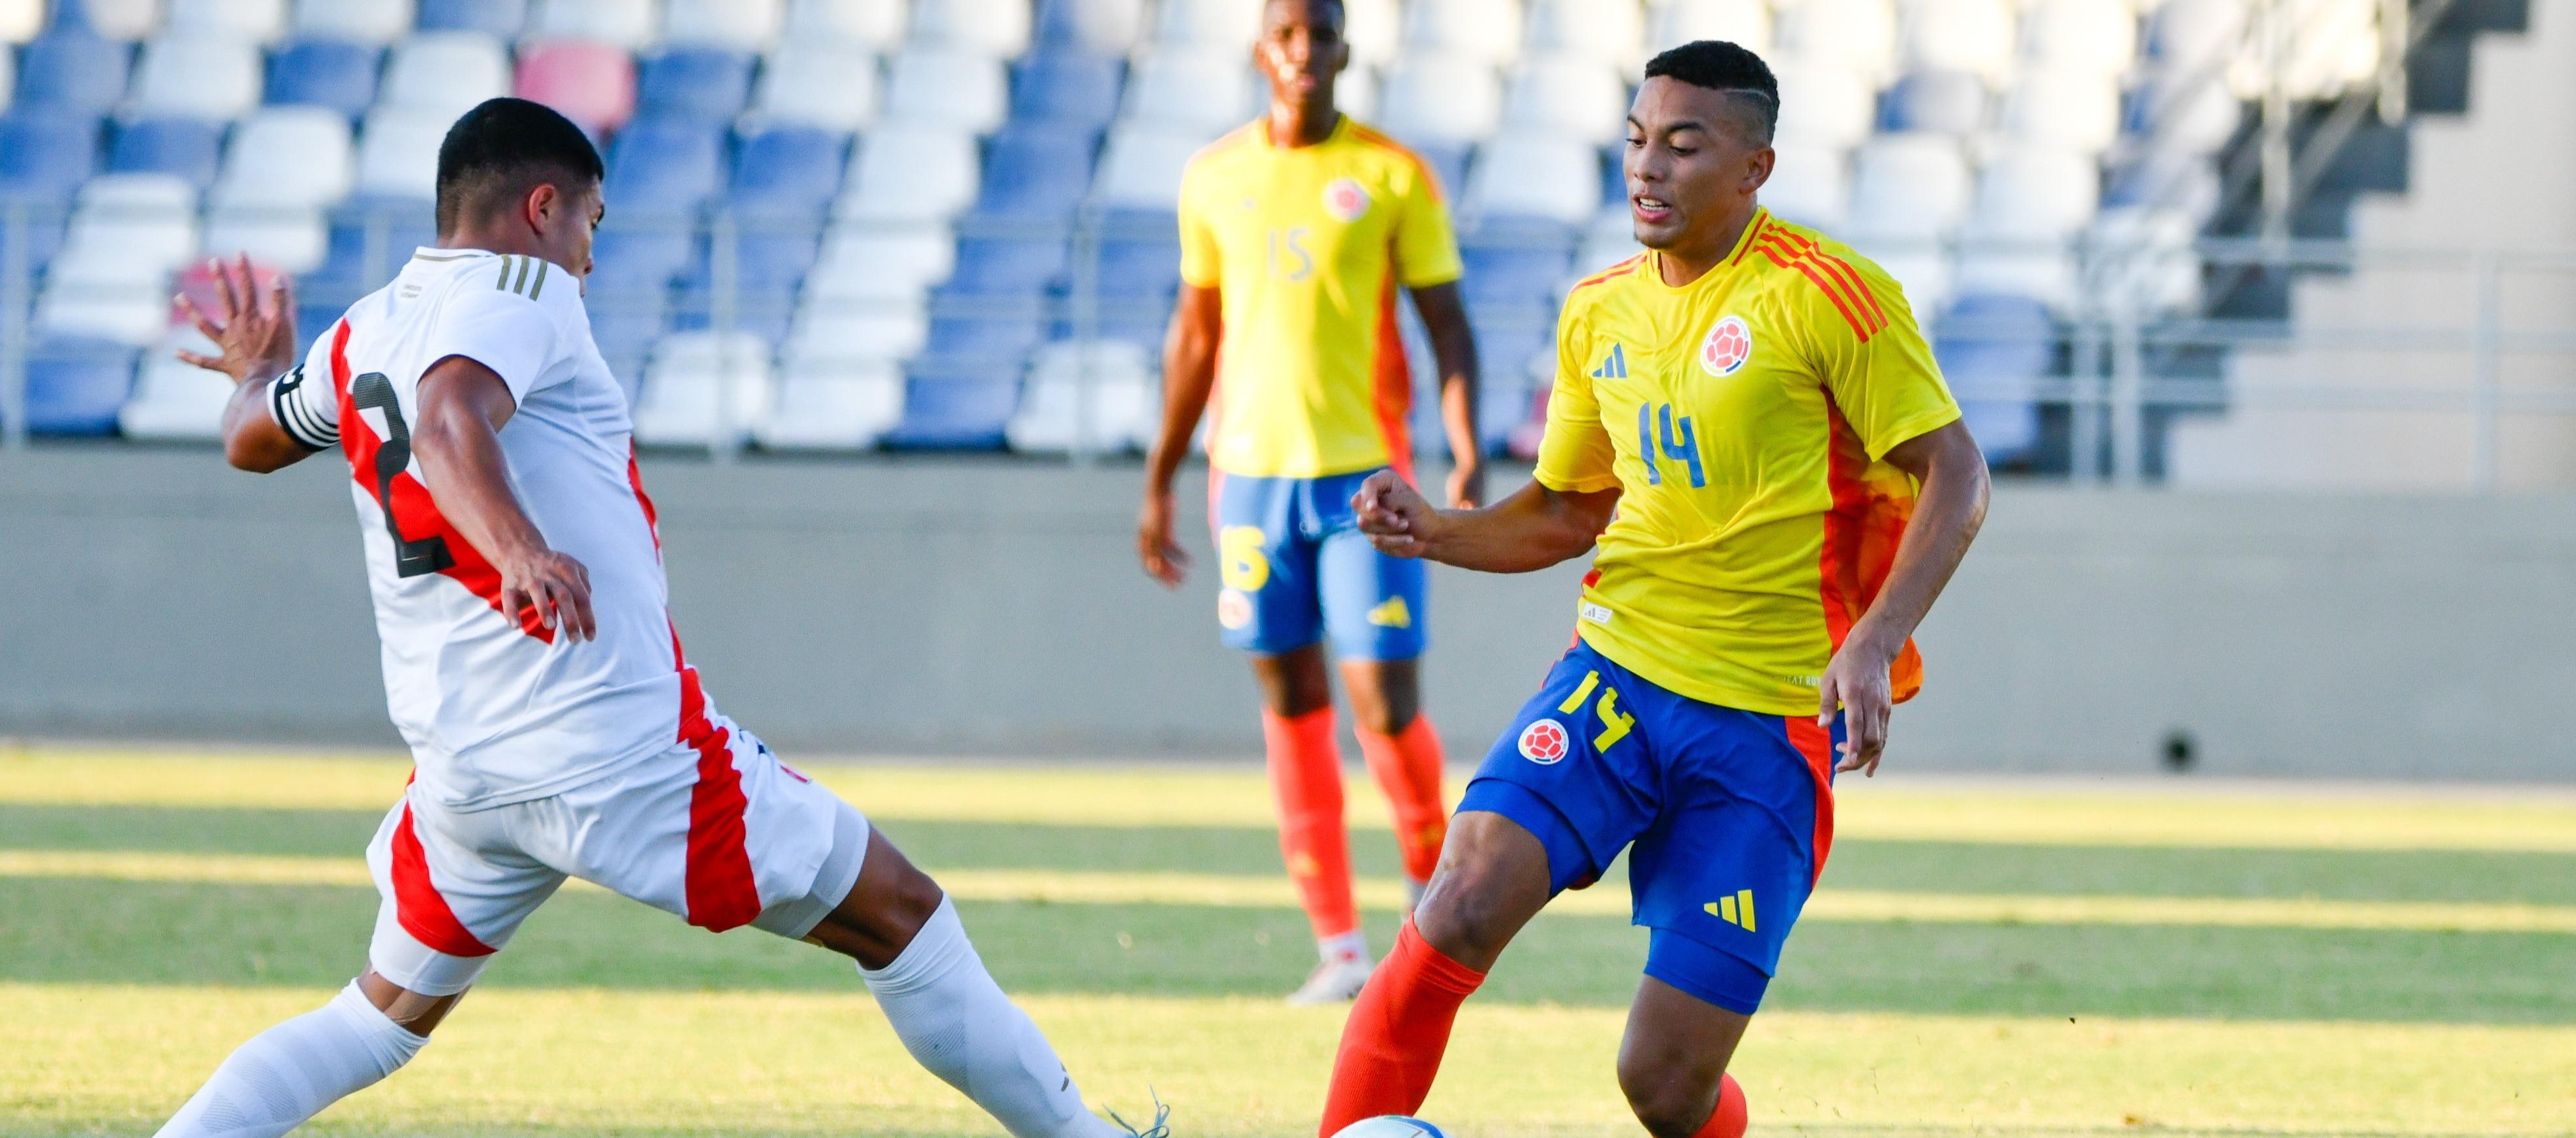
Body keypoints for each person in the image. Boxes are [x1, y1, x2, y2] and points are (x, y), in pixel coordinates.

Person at [154, 98, 1161, 1138]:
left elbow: (251, 438)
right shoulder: (523, 287)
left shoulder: (364, 327)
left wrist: (259, 372)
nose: (590, 257)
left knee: (378, 1018)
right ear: (543, 208)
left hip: (463, 768)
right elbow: (452, 415)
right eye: (591, 223)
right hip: (611, 745)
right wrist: (520, 548)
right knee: (902, 915)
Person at [1314, 41, 1992, 1138]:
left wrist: (1875, 637)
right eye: (1636, 140)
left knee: (1663, 1084)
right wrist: (1432, 529)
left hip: (1766, 726)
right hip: (1614, 678)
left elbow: (1956, 472)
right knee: (1458, 904)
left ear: (1754, 167)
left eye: (1683, 145)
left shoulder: (1825, 294)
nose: (1647, 166)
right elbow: (1566, 511)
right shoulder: (1598, 311)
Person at [1136, 0, 1484, 1006]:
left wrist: (1464, 453)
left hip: (1363, 480)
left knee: (1383, 702)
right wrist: (1159, 477)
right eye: (1286, 35)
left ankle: (1430, 901)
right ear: (1262, 51)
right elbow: (1194, 335)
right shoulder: (1213, 175)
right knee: (1291, 703)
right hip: (1247, 482)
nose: (1304, 52)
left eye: (1320, 34)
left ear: (1344, 50)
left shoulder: (1390, 173)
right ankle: (1337, 946)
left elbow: (1447, 324)